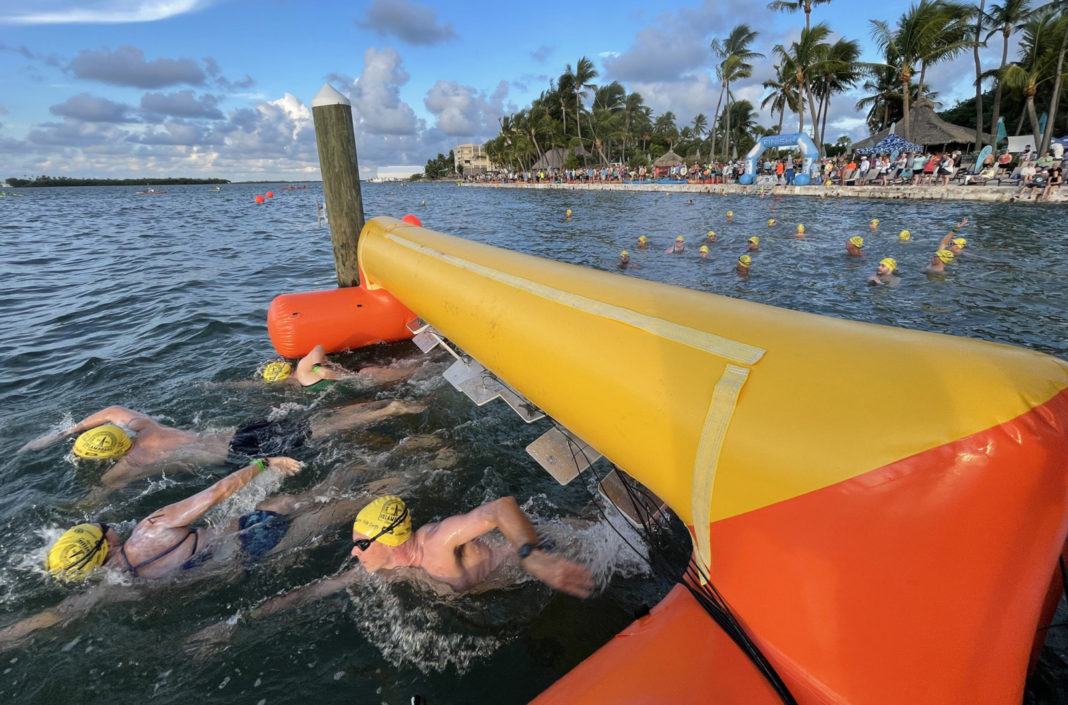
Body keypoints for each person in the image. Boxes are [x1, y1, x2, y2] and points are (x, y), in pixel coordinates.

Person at [0, 456, 304, 648]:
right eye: (102, 527)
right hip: (253, 535)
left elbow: (54, 615)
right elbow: (217, 493)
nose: (106, 525)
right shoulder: (151, 528)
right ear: (105, 544)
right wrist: (264, 463)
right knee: (299, 501)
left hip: (232, 571)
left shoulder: (112, 586)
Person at [199, 495, 596, 637]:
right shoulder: (384, 567)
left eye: (360, 544)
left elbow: (501, 507)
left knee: (611, 533)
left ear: (389, 541)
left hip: (554, 544)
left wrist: (534, 556)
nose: (353, 553)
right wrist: (240, 622)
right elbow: (313, 590)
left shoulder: (437, 541)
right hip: (521, 580)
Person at [19, 400, 424, 498]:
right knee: (321, 423)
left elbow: (95, 499)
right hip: (238, 431)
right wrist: (66, 431)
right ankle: (386, 406)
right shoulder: (140, 426)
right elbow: (108, 410)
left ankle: (388, 414)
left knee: (323, 436)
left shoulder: (128, 465)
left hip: (237, 456)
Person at [263, 344, 414, 391]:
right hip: (359, 379)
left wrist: (317, 368)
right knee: (408, 372)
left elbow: (318, 348)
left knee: (414, 372)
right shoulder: (298, 386)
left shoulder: (302, 369)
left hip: (364, 374)